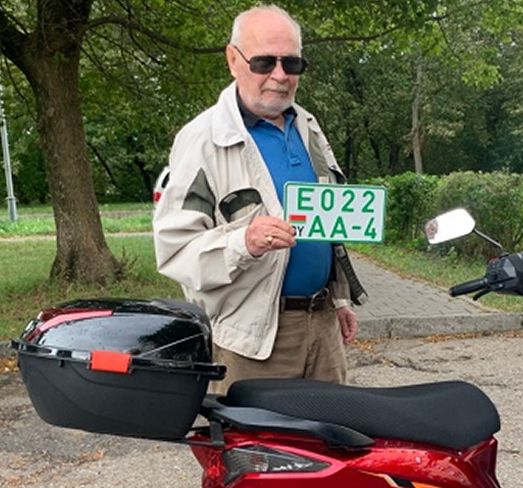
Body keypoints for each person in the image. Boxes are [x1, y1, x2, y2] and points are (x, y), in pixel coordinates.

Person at [152, 5, 366, 394]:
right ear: (233, 60)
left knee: (332, 432)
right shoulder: (202, 140)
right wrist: (243, 242)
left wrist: (338, 300)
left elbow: (326, 220)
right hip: (253, 342)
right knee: (255, 437)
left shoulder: (308, 127)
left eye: (292, 63)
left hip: (323, 329)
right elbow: (174, 249)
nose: (280, 75)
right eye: (265, 62)